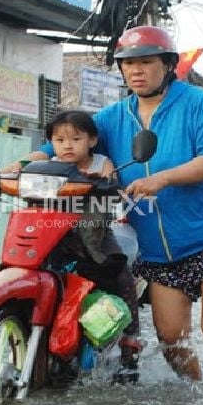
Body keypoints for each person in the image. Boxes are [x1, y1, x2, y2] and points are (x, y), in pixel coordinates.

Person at [0, 25, 203, 383]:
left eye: (146, 62)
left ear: (168, 65)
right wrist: (6, 172)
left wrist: (161, 178)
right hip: (159, 249)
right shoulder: (112, 117)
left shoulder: (198, 104)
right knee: (171, 339)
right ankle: (196, 401)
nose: (136, 70)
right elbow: (56, 147)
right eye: (128, 64)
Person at [42, 110, 142, 378]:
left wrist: (104, 181)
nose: (67, 145)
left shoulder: (101, 162)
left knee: (121, 274)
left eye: (75, 138)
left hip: (97, 236)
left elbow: (114, 183)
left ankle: (131, 340)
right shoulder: (48, 167)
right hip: (56, 237)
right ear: (51, 142)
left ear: (92, 140)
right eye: (59, 140)